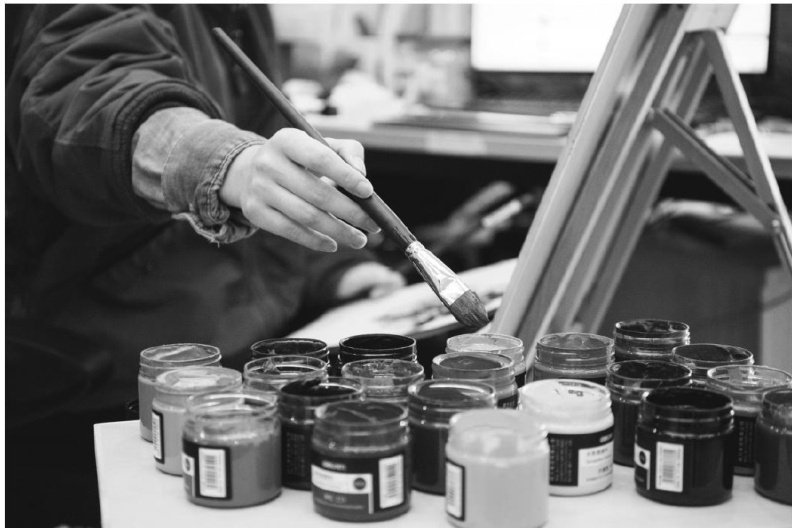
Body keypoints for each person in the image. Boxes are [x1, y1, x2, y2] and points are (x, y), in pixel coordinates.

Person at [6, 5, 403, 525]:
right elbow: (91, 97)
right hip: (120, 378)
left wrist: (331, 271)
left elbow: (273, 160)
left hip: (245, 356)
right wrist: (225, 163)